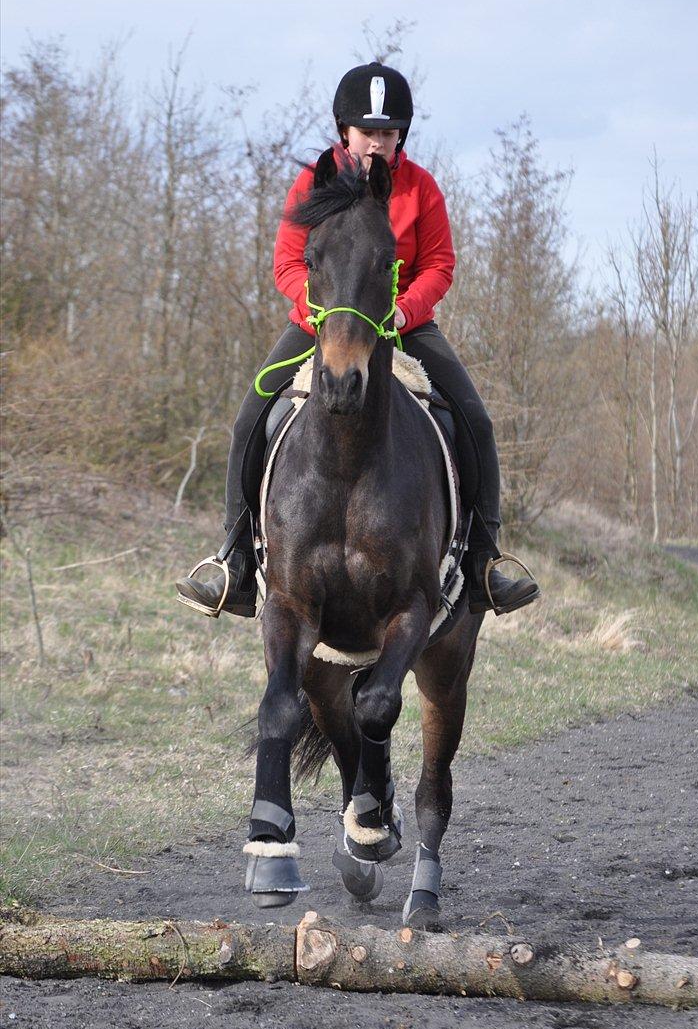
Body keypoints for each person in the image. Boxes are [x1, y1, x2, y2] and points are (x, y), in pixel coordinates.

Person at [176, 62, 539, 620]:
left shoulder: (421, 187)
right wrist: (318, 313)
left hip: (403, 325)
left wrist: (403, 309)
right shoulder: (314, 185)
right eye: (368, 132)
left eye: (389, 133)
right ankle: (235, 561)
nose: (378, 142)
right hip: (321, 324)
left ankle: (486, 561)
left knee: (475, 419)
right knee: (250, 416)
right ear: (344, 131)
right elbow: (287, 264)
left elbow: (440, 264)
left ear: (402, 137)